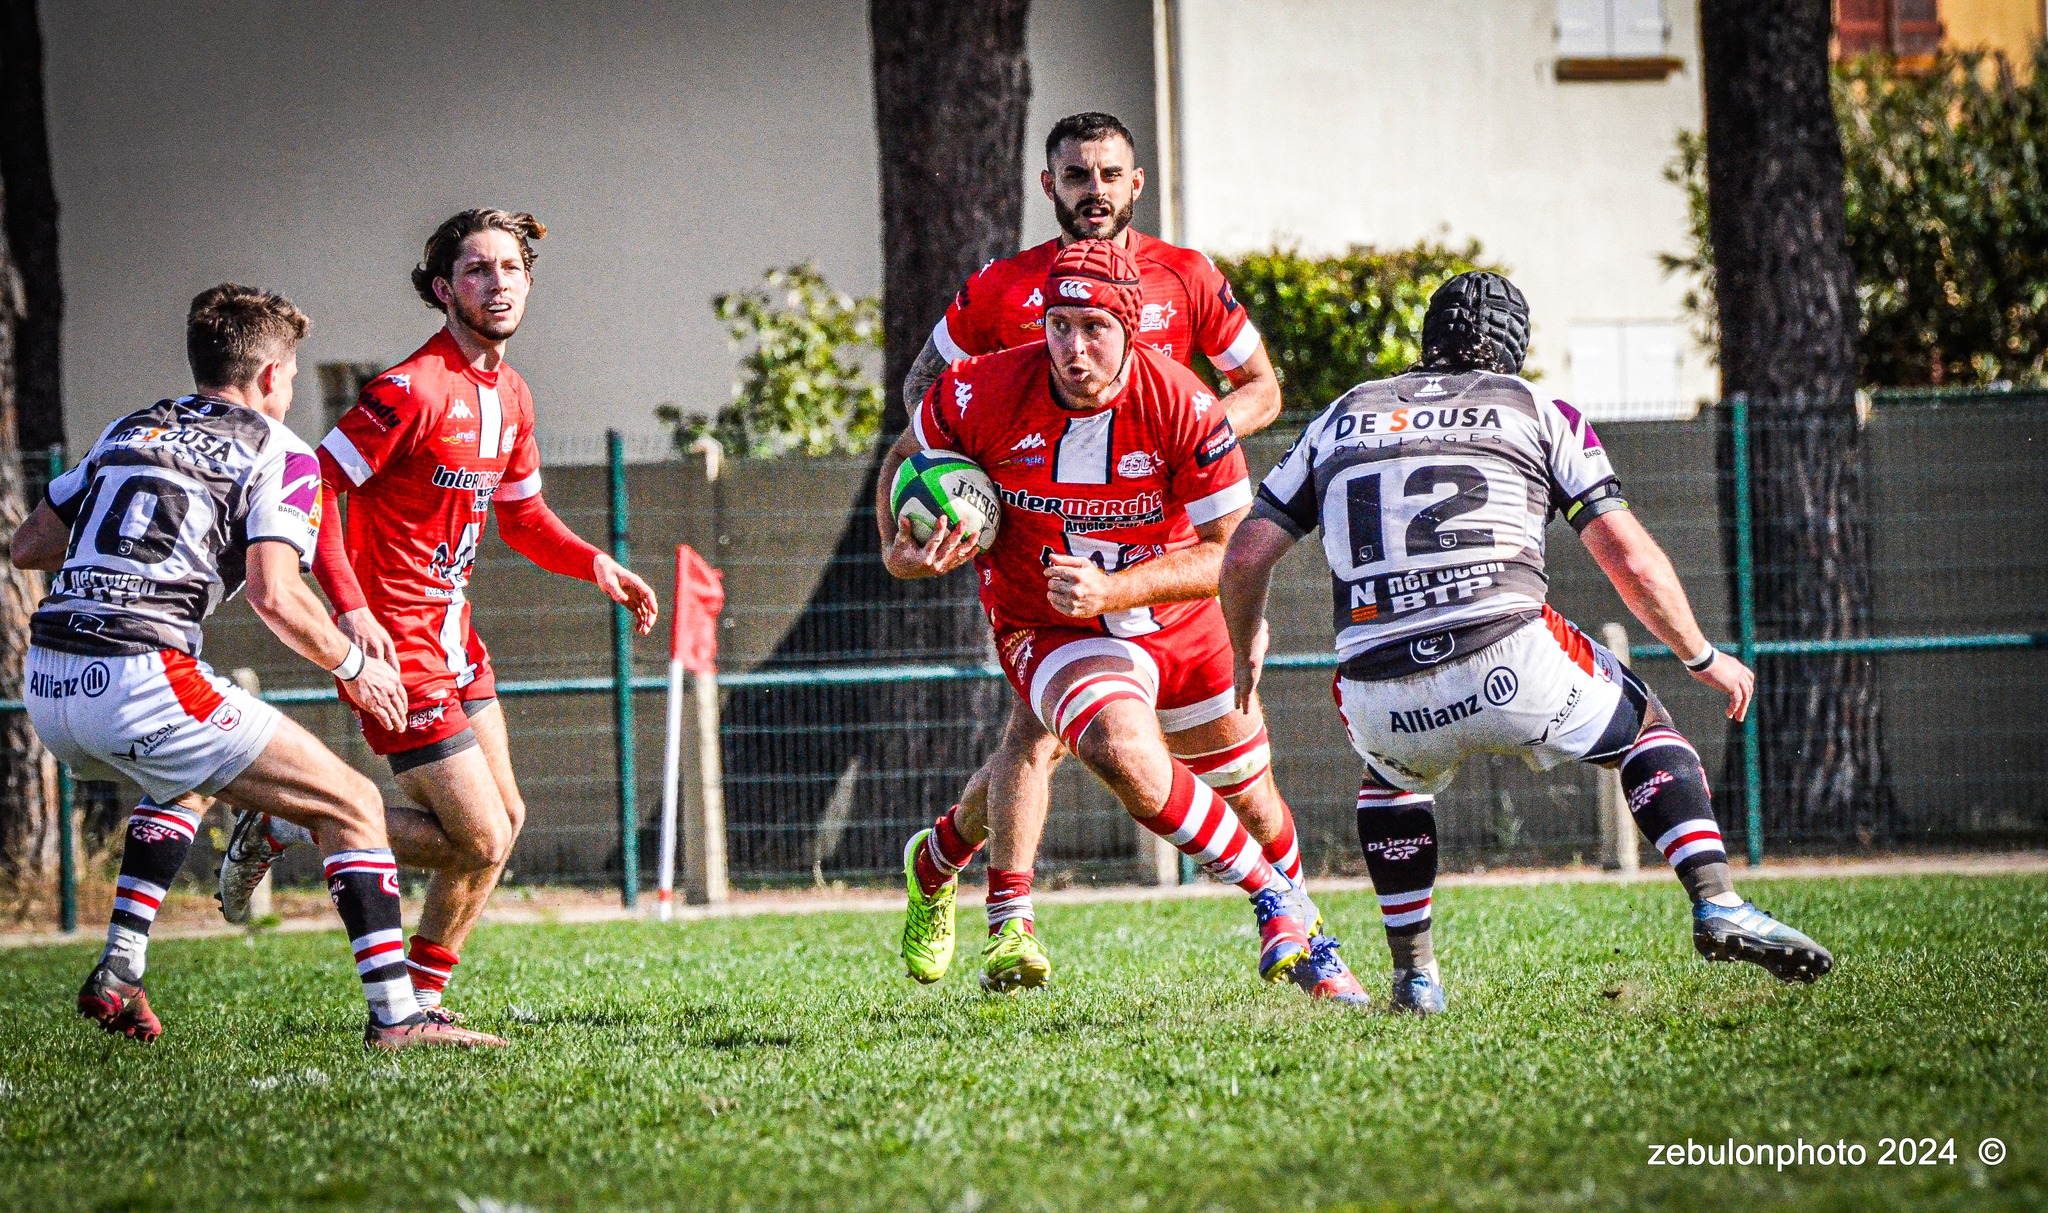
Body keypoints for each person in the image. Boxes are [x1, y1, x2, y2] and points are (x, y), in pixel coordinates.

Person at [1220, 271, 1834, 1014]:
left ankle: (1415, 976)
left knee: (1390, 778)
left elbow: (1247, 553)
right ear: (1513, 347)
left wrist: (1246, 642)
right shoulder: (1536, 408)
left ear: (1428, 336)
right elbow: (1627, 556)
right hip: (1508, 652)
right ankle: (1716, 899)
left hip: (1376, 681)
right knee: (1645, 729)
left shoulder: (1344, 413)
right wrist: (1700, 652)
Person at [14, 283, 502, 1049]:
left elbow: (29, 545)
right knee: (348, 802)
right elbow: (278, 594)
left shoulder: (129, 427)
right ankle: (397, 1017)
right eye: (295, 371)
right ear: (275, 374)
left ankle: (120, 966)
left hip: (47, 684)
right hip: (140, 673)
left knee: (185, 776)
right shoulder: (279, 449)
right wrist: (354, 663)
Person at [882, 239, 1367, 1003]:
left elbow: (1232, 555)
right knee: (1115, 750)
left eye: (1095, 328)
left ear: (1132, 329)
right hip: (1044, 620)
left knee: (1253, 794)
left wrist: (1114, 590)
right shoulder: (979, 389)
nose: (1074, 348)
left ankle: (939, 856)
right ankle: (1279, 904)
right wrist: (898, 547)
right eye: (1061, 325)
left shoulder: (1187, 406)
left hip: (1172, 615)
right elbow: (907, 453)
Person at [216, 211, 658, 1019]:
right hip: (397, 647)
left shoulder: (513, 394)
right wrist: (350, 611)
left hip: (456, 639)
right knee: (481, 836)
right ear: (443, 289)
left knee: (505, 821)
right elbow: (307, 495)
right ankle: (298, 819)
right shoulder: (407, 389)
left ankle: (419, 1002)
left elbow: (523, 517)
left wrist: (597, 563)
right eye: (478, 270)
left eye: (511, 269)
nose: (498, 284)